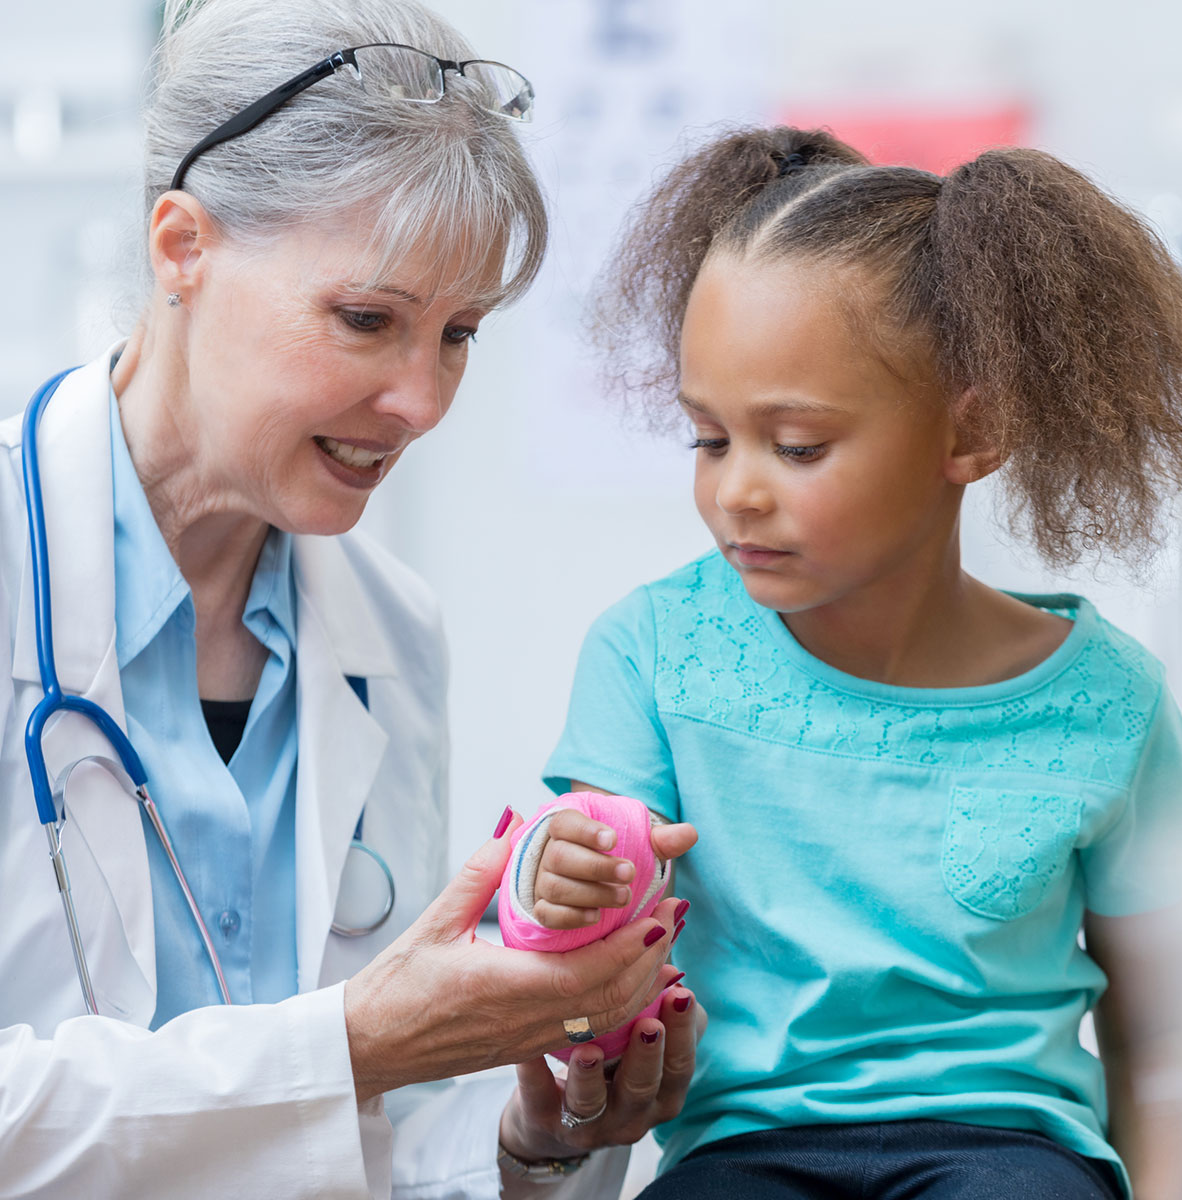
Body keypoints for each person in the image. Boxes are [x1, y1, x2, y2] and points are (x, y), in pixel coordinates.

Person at [0, 1, 703, 1196]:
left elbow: (402, 1150)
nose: (422, 403)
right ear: (182, 249)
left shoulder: (390, 632)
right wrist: (352, 1047)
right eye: (367, 320)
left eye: (459, 335)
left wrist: (539, 1138)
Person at [525, 126, 1182, 1199]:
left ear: (973, 434)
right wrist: (554, 876)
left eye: (796, 447)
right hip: (743, 1149)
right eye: (709, 439)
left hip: (1008, 1148)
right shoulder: (653, 653)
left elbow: (1166, 1045)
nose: (737, 491)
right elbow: (584, 913)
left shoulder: (1109, 705)